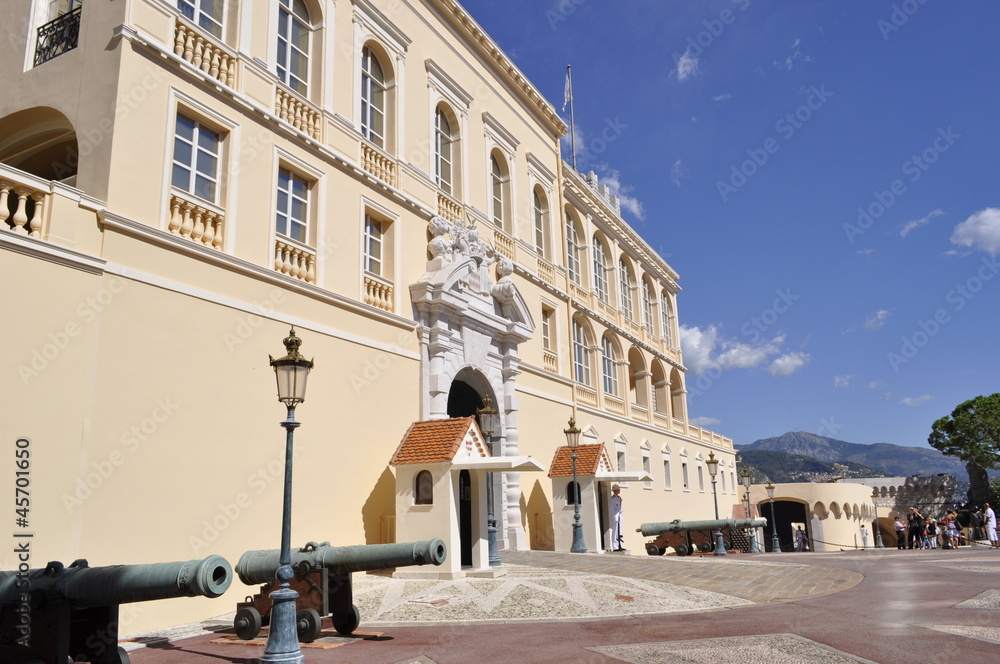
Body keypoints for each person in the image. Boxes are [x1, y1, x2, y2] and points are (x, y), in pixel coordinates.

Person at [610, 484, 624, 551]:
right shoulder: (612, 499)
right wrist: (614, 516)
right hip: (615, 515)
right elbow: (612, 509)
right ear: (614, 491)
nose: (619, 491)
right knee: (615, 531)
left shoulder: (619, 498)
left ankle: (620, 544)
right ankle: (615, 546)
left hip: (620, 515)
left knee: (620, 530)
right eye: (617, 490)